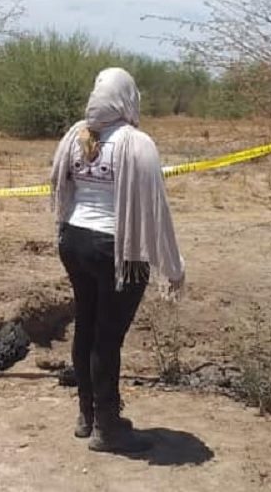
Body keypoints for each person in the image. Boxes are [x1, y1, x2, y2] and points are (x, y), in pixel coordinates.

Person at [49, 67, 186, 453]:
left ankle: (87, 416)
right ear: (127, 97)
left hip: (74, 242)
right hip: (118, 251)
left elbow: (61, 189)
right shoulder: (136, 142)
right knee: (107, 337)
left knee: (87, 326)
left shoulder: (74, 136)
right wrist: (172, 266)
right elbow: (157, 210)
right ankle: (108, 429)